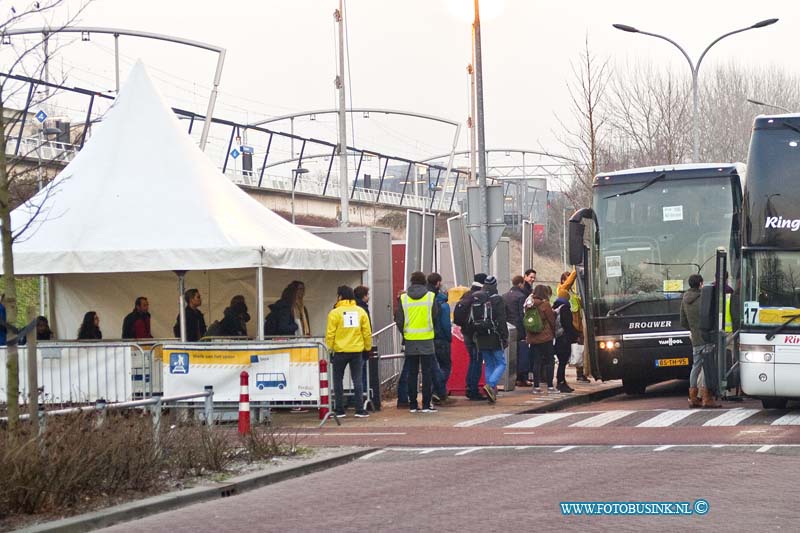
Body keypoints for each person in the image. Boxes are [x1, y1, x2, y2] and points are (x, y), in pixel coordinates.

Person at [395, 271, 439, 413]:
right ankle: (426, 404)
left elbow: (399, 321)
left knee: (412, 373)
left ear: (411, 282)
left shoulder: (403, 299)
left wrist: (406, 333)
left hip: (410, 340)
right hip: (427, 339)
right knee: (427, 373)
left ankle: (413, 404)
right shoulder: (431, 297)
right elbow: (435, 316)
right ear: (424, 281)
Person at [325, 285, 372, 418]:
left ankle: (339, 409)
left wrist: (330, 349)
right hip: (357, 350)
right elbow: (367, 332)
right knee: (357, 380)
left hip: (340, 351)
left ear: (340, 296)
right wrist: (367, 348)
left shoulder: (334, 313)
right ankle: (359, 409)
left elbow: (330, 334)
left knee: (338, 380)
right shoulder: (360, 311)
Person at [681, 274, 720, 408]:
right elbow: (709, 317)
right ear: (701, 284)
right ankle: (706, 397)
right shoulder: (703, 298)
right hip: (706, 336)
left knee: (696, 366)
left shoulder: (685, 299)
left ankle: (693, 397)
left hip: (695, 338)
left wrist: (693, 329)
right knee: (707, 367)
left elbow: (683, 321)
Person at [473, 276, 508, 403]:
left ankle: (490, 390)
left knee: (488, 364)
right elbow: (501, 319)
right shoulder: (497, 299)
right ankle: (490, 385)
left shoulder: (478, 297)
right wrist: (504, 336)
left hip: (481, 335)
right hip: (494, 335)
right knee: (501, 363)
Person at [524, 284, 556, 394]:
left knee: (536, 362)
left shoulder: (528, 305)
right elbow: (552, 320)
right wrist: (554, 332)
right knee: (549, 361)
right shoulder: (545, 305)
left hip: (533, 338)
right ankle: (550, 386)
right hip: (546, 337)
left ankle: (536, 386)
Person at [461, 273, 488, 400]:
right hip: (476, 334)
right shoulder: (480, 296)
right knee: (476, 361)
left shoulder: (466, 294)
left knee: (472, 360)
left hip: (466, 332)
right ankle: (472, 389)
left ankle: (469, 386)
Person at [427, 273, 453, 404]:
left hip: (429, 338)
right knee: (445, 366)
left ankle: (437, 392)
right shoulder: (443, 305)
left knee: (434, 367)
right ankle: (439, 391)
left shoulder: (427, 300)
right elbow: (446, 325)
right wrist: (449, 338)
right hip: (442, 339)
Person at [503, 275, 530, 386]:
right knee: (521, 354)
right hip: (518, 330)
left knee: (510, 355)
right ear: (520, 284)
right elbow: (522, 315)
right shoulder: (521, 296)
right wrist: (525, 332)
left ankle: (510, 377)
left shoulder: (504, 296)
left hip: (508, 328)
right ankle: (521, 378)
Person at [553, 285, 579, 393]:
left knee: (561, 361)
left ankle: (561, 381)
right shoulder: (565, 308)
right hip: (564, 339)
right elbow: (568, 325)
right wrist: (576, 335)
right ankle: (561, 382)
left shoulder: (554, 306)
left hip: (557, 337)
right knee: (563, 362)